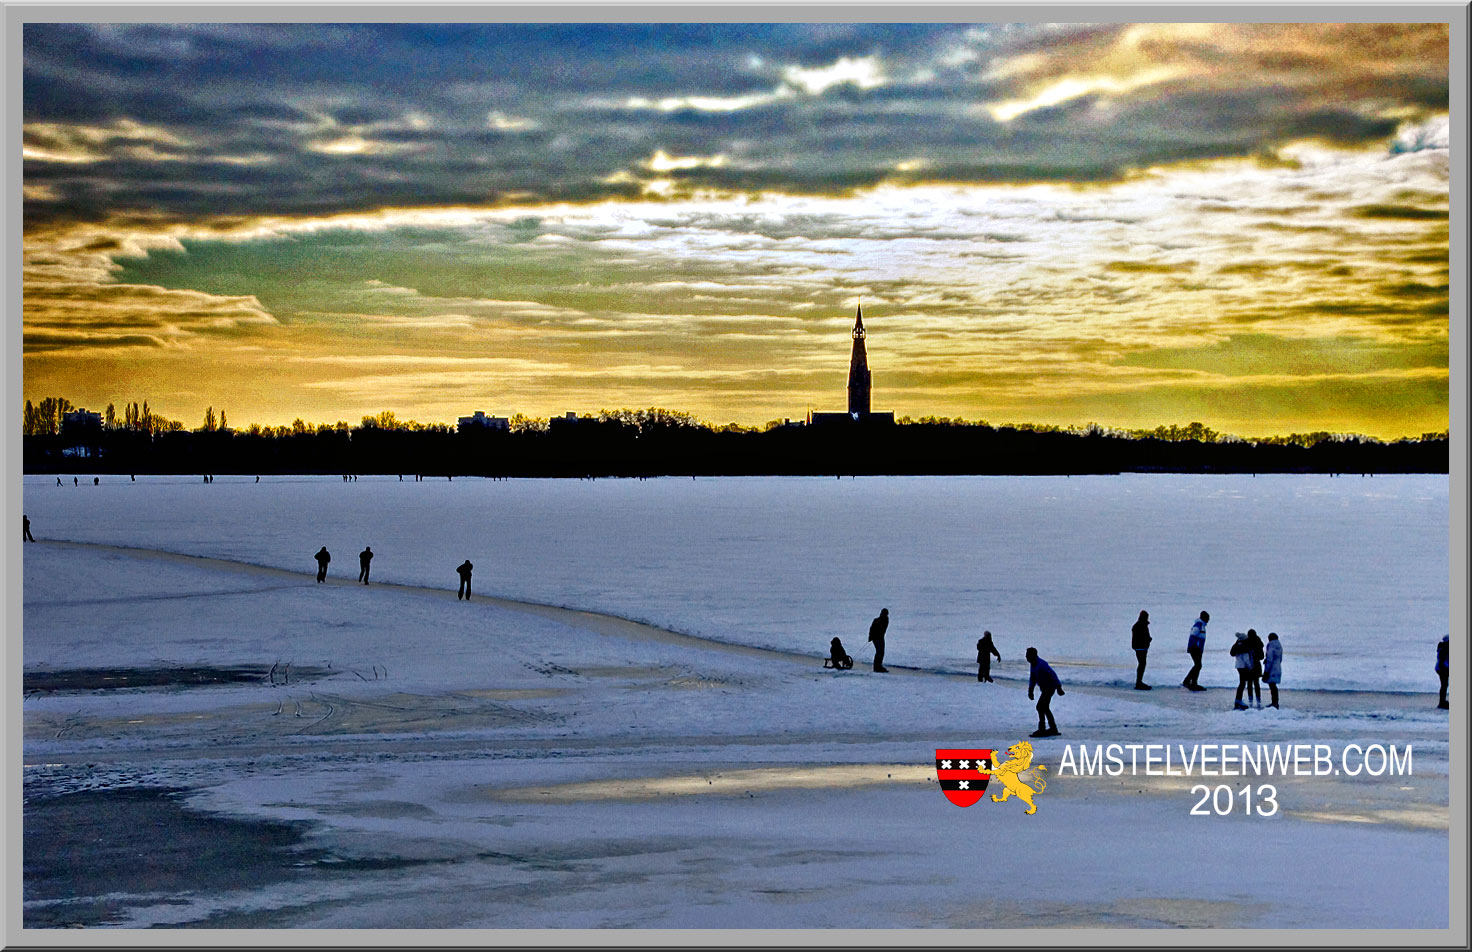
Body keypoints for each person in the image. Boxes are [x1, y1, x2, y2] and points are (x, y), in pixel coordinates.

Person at [1026, 647, 1064, 737]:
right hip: (1045, 688)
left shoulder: (1042, 665)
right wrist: (1030, 690)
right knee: (1044, 708)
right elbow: (1033, 678)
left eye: (1027, 655)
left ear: (1033, 656)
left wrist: (1059, 687)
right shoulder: (1033, 664)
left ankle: (1043, 729)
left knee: (1040, 707)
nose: (1026, 657)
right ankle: (1052, 728)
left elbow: (1053, 675)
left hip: (1050, 687)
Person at [1183, 611, 1209, 690]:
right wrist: (1194, 647)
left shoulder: (1202, 625)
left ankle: (1189, 681)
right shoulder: (1199, 625)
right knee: (1198, 665)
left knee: (1198, 665)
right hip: (1195, 648)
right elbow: (1193, 636)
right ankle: (1192, 682)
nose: (1208, 620)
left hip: (1198, 648)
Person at [1231, 631, 1253, 710]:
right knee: (1242, 683)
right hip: (1243, 667)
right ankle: (1238, 700)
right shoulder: (1244, 647)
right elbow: (1246, 659)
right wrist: (1250, 667)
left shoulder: (1237, 646)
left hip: (1238, 666)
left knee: (1242, 683)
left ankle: (1238, 699)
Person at [1131, 609, 1152, 689]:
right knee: (1142, 664)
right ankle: (1139, 682)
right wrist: (1148, 639)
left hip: (1140, 647)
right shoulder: (1141, 625)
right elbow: (1142, 637)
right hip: (1141, 648)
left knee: (1142, 664)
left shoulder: (1138, 625)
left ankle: (1139, 681)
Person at [1263, 632, 1283, 709]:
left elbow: (1270, 660)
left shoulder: (1271, 647)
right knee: (1273, 686)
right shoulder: (1279, 647)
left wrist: (1266, 671)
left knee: (1272, 686)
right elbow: (1280, 659)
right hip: (1277, 667)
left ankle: (1274, 703)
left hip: (1272, 669)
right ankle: (1275, 702)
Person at [1246, 629, 1265, 709]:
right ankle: (1258, 700)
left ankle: (1250, 700)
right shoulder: (1258, 643)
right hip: (1257, 665)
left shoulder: (1247, 642)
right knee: (1256, 684)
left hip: (1248, 665)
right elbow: (1262, 656)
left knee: (1249, 683)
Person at [868, 608, 890, 672]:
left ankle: (879, 666)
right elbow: (871, 629)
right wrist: (870, 637)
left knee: (881, 652)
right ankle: (876, 667)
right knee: (879, 652)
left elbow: (883, 629)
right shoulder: (876, 620)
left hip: (880, 637)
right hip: (875, 638)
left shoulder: (885, 620)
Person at [1436, 635, 1449, 709]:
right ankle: (1442, 702)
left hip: (1442, 668)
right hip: (1443, 668)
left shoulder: (1442, 647)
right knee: (1444, 685)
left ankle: (1442, 702)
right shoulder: (1445, 648)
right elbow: (1443, 661)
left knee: (1444, 685)